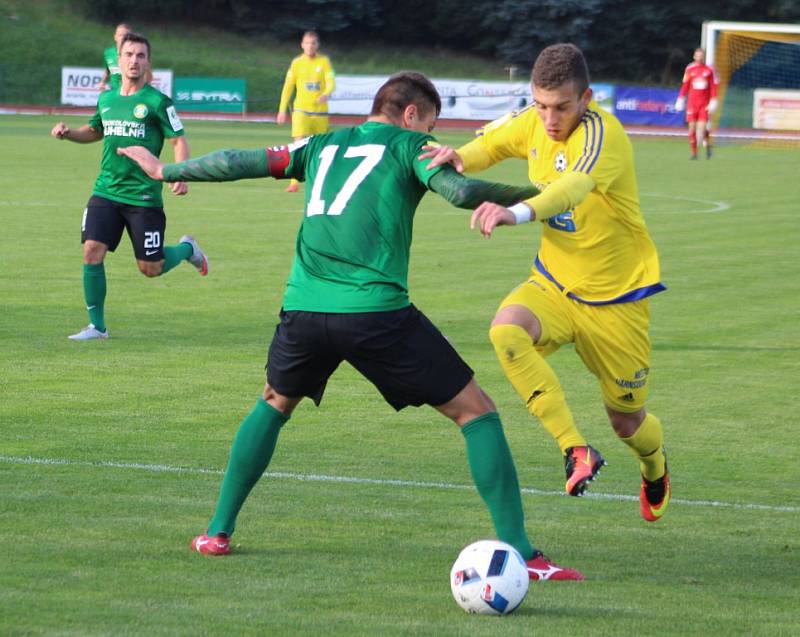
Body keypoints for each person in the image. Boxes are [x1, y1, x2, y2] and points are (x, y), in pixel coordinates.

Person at [119, 71, 584, 581]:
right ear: (411, 115)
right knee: (477, 412)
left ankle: (216, 531)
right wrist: (542, 197)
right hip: (375, 314)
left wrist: (167, 170)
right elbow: (460, 189)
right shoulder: (411, 145)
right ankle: (523, 553)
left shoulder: (321, 144)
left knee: (274, 402)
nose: (434, 137)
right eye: (431, 123)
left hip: (305, 310)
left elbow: (239, 161)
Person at [422, 44, 671, 523]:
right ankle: (575, 449)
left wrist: (516, 212)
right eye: (541, 105)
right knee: (506, 331)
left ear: (586, 99)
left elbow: (570, 189)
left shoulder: (605, 136)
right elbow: (492, 144)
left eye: (561, 107)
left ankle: (654, 466)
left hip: (614, 299)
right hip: (555, 283)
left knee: (627, 421)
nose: (550, 118)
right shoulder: (534, 120)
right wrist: (459, 157)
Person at [51, 32, 208, 341]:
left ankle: (189, 249)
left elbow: (178, 140)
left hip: (143, 197)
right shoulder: (107, 98)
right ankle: (97, 327)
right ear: (118, 60)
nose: (134, 61)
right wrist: (69, 133)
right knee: (91, 251)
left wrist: (179, 173)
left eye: (141, 56)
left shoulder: (157, 102)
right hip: (106, 191)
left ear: (148, 62)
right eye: (129, 55)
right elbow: (95, 131)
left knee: (151, 268)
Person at [276, 30, 335, 193]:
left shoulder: (324, 62)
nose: (310, 46)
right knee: (298, 145)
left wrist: (326, 93)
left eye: (313, 43)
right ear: (302, 45)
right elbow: (288, 87)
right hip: (301, 111)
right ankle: (294, 181)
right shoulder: (297, 63)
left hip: (320, 113)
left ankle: (320, 179)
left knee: (320, 148)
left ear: (318, 45)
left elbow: (331, 82)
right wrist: (282, 110)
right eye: (307, 43)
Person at [675, 47, 719, 160]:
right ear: (694, 56)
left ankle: (708, 145)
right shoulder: (690, 69)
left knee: (702, 128)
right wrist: (680, 99)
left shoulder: (709, 70)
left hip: (704, 104)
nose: (699, 57)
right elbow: (685, 85)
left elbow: (713, 86)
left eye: (701, 55)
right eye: (697, 55)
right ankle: (694, 153)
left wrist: (714, 100)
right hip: (692, 104)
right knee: (692, 129)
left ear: (704, 57)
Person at [99, 23, 153, 92]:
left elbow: (149, 78)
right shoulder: (108, 53)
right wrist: (102, 82)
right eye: (120, 35)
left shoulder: (137, 55)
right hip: (115, 93)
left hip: (132, 94)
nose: (122, 38)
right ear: (115, 37)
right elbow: (107, 70)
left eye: (125, 35)